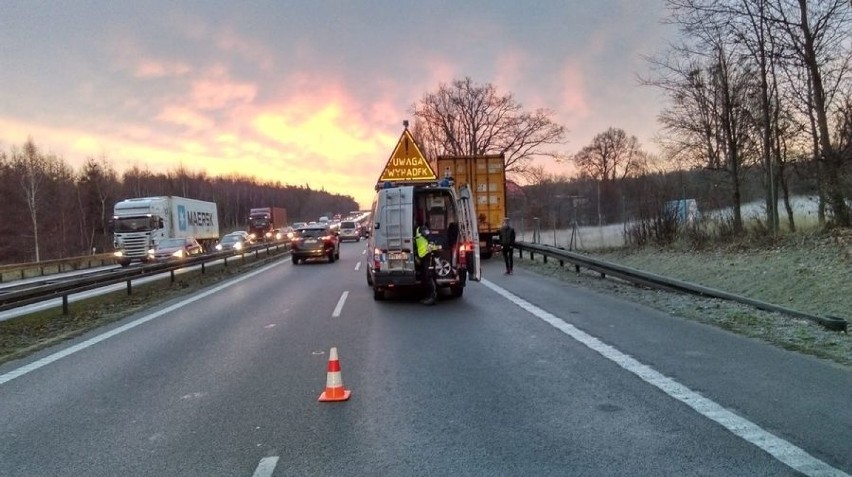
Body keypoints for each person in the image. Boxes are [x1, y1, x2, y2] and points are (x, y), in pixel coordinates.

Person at [414, 222, 438, 305]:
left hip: (429, 255)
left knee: (429, 276)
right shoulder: (416, 231)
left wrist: (430, 247)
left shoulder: (421, 229)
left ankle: (433, 297)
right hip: (424, 256)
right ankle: (428, 296)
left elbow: (429, 237)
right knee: (425, 277)